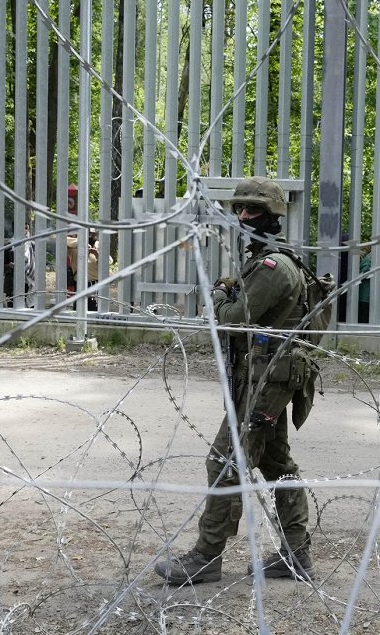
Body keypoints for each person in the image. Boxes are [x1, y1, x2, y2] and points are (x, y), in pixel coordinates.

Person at [154, 176, 315, 585]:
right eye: (239, 209)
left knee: (226, 461)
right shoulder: (264, 260)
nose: (243, 216)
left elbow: (231, 318)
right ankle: (297, 554)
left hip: (266, 380)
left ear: (272, 215)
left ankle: (206, 557)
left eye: (253, 211)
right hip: (265, 377)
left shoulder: (273, 265)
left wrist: (221, 298)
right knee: (276, 463)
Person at [65, 184, 100, 310]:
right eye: (87, 233)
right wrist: (81, 243)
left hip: (94, 285)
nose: (90, 235)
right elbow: (64, 241)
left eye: (91, 233)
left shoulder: (97, 245)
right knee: (78, 311)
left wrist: (96, 253)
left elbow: (108, 262)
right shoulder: (75, 245)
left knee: (94, 313)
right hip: (79, 284)